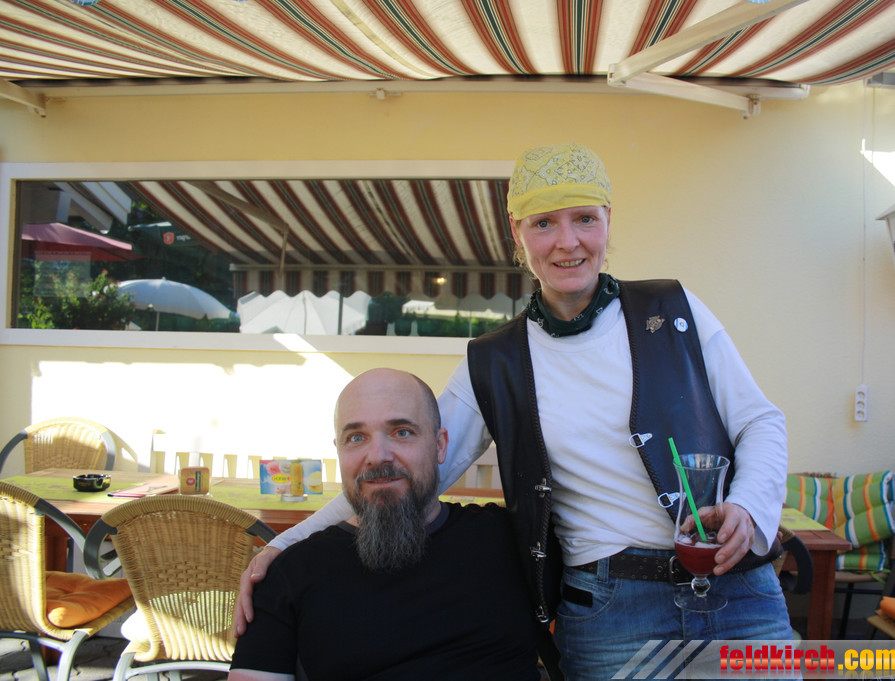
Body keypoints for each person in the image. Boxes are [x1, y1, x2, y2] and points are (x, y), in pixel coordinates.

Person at [235, 143, 792, 680]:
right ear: (517, 234)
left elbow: (759, 421)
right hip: (612, 613)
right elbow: (401, 468)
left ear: (608, 221)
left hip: (736, 588)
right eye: (544, 223)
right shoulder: (496, 361)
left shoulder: (672, 309)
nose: (568, 242)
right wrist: (284, 544)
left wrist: (746, 506)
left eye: (585, 218)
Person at [228, 368, 546, 681]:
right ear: (339, 451)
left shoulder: (514, 542)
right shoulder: (288, 575)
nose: (378, 456)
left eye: (402, 432)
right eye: (356, 437)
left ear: (440, 445)